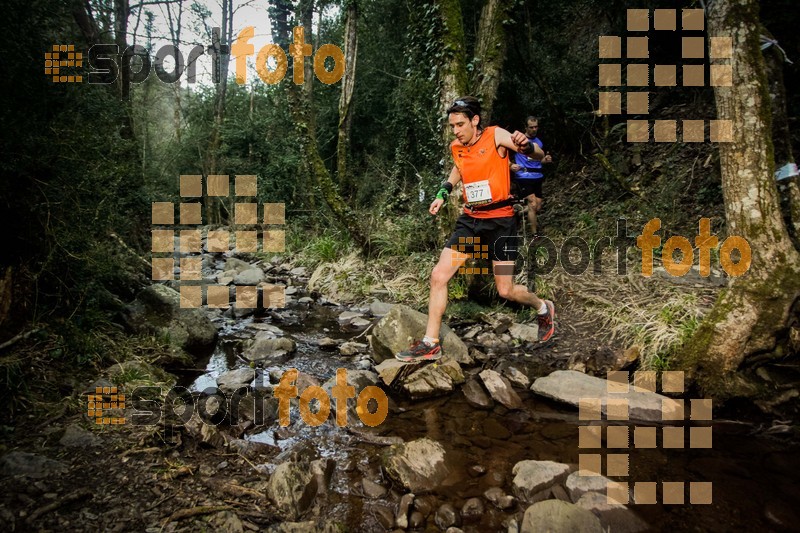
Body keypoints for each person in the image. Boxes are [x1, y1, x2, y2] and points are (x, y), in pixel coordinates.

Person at [395, 97, 556, 362]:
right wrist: (442, 194)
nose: (456, 130)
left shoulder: (496, 136)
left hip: (501, 221)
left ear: (475, 121)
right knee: (438, 276)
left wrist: (527, 147)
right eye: (452, 126)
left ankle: (542, 307)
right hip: (470, 220)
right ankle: (430, 342)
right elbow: (459, 168)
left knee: (506, 290)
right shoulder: (456, 146)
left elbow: (537, 156)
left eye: (460, 124)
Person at [510, 116, 553, 235]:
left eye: (536, 127)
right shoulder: (517, 141)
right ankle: (535, 235)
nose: (534, 129)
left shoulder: (539, 141)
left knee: (537, 206)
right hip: (523, 176)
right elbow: (503, 157)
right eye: (531, 127)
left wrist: (546, 160)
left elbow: (540, 160)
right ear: (525, 127)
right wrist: (510, 165)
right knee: (533, 203)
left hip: (537, 176)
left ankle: (519, 213)